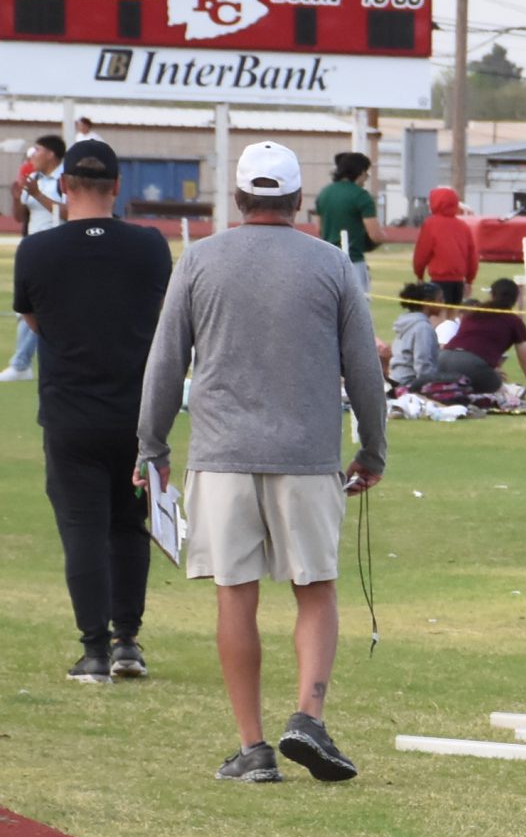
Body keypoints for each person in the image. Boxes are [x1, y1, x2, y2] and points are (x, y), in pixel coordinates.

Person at [138, 141, 387, 784]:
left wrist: (152, 447)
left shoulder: (199, 260)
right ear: (299, 200)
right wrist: (372, 449)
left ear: (239, 198)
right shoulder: (331, 264)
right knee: (315, 587)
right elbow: (364, 369)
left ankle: (252, 748)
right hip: (307, 455)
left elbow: (166, 362)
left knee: (234, 595)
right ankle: (309, 715)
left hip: (221, 455)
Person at [12, 138, 173, 683]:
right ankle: (127, 640)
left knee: (82, 528)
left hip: (70, 411)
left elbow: (34, 321)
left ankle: (95, 649)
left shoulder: (36, 251)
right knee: (130, 525)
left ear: (64, 185)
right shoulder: (150, 246)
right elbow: (159, 313)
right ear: (117, 186)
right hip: (137, 412)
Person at [7, 133, 67, 382]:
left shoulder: (63, 179)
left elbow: (69, 212)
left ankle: (21, 363)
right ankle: (26, 363)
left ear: (51, 154)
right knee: (28, 307)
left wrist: (38, 195)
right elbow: (20, 217)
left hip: (56, 249)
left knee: (37, 306)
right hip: (32, 249)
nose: (33, 156)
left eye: (37, 150)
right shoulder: (34, 178)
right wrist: (16, 198)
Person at [435, 278, 526, 396]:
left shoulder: (472, 315)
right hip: (472, 364)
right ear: (515, 299)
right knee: (502, 395)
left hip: (443, 358)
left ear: (491, 295)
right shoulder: (514, 322)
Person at [313, 152, 387, 268]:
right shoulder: (361, 196)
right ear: (361, 172)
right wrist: (382, 238)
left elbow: (319, 229)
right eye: (366, 172)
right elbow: (375, 235)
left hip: (328, 260)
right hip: (353, 259)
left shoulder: (324, 193)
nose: (366, 177)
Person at [411, 185, 478, 304]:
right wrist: (469, 280)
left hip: (439, 279)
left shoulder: (431, 224)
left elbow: (422, 253)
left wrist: (419, 274)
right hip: (458, 281)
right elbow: (472, 256)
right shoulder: (463, 226)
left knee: (439, 312)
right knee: (453, 312)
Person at [386, 282, 441, 389]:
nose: (444, 304)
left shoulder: (408, 322)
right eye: (440, 300)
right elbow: (423, 364)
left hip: (396, 379)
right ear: (427, 302)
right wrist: (429, 388)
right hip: (408, 384)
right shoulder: (422, 327)